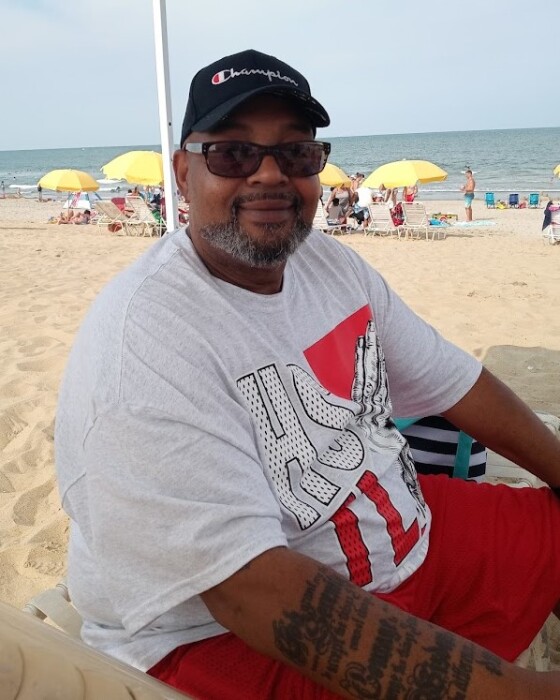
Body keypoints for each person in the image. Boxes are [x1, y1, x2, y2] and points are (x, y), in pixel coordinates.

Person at [55, 49, 560, 699]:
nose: (270, 174)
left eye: (296, 153)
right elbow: (253, 591)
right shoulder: (147, 343)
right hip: (223, 633)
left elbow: (455, 381)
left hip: (399, 533)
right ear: (183, 173)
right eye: (233, 154)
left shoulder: (330, 266)